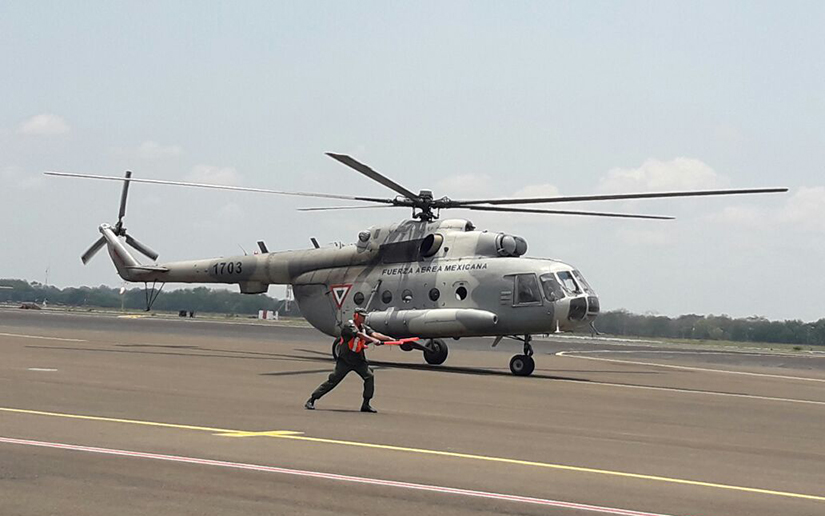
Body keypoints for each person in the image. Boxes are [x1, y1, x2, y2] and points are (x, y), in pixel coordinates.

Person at [305, 308, 393, 413]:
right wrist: (373, 340)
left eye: (365, 316)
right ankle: (312, 399)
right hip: (345, 360)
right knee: (333, 380)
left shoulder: (363, 327)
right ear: (355, 316)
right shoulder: (349, 326)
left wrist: (388, 338)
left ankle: (366, 404)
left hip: (359, 360)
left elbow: (374, 334)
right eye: (362, 316)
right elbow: (359, 335)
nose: (364, 318)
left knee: (369, 376)